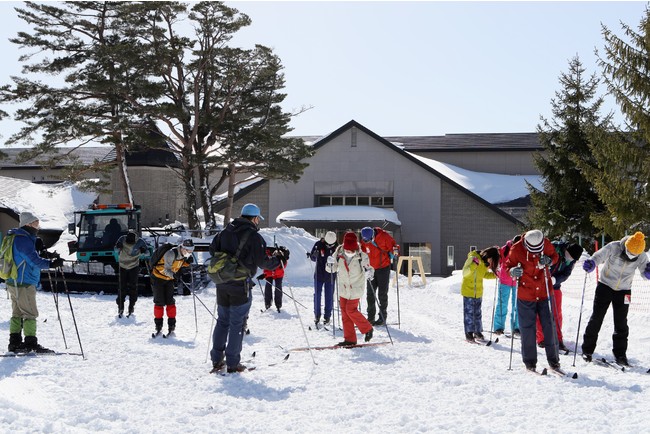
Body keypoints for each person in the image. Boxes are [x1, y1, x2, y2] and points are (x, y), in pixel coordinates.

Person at [209, 203, 285, 374]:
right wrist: (278, 260)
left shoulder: (224, 232)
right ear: (254, 218)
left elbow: (213, 250)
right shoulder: (254, 237)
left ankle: (216, 359)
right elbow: (262, 262)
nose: (258, 222)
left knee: (222, 321)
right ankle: (233, 363)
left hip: (221, 282)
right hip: (240, 284)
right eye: (258, 219)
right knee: (237, 323)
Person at [581, 231, 650, 366]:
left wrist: (648, 273)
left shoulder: (641, 255)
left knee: (621, 323)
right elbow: (598, 256)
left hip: (624, 291)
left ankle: (620, 354)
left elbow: (644, 272)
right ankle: (587, 350)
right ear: (625, 247)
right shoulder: (614, 247)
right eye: (629, 253)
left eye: (634, 256)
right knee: (596, 318)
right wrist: (591, 263)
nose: (631, 257)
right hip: (605, 286)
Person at [6, 212, 64, 353]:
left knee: (17, 313)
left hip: (14, 281)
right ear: (28, 224)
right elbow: (33, 260)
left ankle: (14, 343)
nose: (38, 226)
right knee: (30, 313)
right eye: (36, 223)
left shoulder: (15, 237)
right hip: (24, 282)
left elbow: (29, 256)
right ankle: (30, 343)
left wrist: (47, 256)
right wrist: (51, 264)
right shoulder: (23, 240)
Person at [506, 229, 561, 372]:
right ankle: (530, 361)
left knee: (549, 326)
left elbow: (555, 256)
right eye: (533, 250)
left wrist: (550, 260)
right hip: (526, 294)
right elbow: (507, 266)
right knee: (527, 329)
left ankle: (554, 360)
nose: (536, 253)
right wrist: (512, 271)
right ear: (526, 244)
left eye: (539, 249)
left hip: (544, 291)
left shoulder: (546, 243)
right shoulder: (516, 249)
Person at [326, 231, 374, 346]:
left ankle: (367, 328)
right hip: (343, 288)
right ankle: (350, 339)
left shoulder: (362, 256)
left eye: (350, 251)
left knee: (350, 310)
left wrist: (369, 272)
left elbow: (369, 269)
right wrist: (329, 264)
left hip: (356, 288)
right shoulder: (338, 253)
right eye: (347, 250)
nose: (348, 252)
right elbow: (331, 270)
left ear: (355, 249)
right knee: (345, 314)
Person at [536, 242, 584, 352]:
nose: (570, 260)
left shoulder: (571, 260)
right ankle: (541, 338)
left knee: (557, 313)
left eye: (573, 259)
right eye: (570, 256)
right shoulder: (553, 248)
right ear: (566, 251)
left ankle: (558, 338)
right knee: (540, 312)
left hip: (555, 286)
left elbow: (566, 274)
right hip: (541, 285)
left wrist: (555, 280)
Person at [150, 238, 194, 336]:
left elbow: (178, 264)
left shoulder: (183, 255)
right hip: (158, 278)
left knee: (170, 302)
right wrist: (174, 275)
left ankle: (172, 325)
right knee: (159, 302)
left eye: (191, 251)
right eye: (188, 250)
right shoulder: (170, 254)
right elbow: (165, 270)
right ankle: (158, 325)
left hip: (169, 280)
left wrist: (187, 263)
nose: (190, 253)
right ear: (183, 248)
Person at [360, 226, 397, 326]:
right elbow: (362, 252)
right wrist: (363, 265)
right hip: (370, 269)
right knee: (370, 293)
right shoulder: (364, 240)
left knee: (382, 293)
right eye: (365, 240)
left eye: (369, 240)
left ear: (373, 235)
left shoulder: (384, 236)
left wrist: (394, 253)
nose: (366, 242)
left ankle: (382, 317)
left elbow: (394, 246)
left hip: (383, 268)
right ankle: (370, 317)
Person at [461, 247, 499, 342]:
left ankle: (477, 331)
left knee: (477, 313)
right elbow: (465, 273)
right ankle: (469, 333)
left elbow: (484, 275)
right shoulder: (473, 259)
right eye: (492, 261)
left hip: (478, 292)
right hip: (468, 291)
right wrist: (474, 265)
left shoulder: (484, 264)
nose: (491, 264)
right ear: (489, 256)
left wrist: (495, 275)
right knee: (469, 313)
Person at [114, 231, 148, 317]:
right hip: (122, 265)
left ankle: (131, 306)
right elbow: (115, 249)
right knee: (122, 287)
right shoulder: (122, 239)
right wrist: (118, 246)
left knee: (133, 286)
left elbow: (148, 252)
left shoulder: (140, 242)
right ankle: (120, 306)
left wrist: (144, 250)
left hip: (134, 266)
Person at [493, 235, 521, 337]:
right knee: (502, 304)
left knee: (517, 305)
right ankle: (498, 327)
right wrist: (498, 273)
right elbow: (497, 264)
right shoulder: (504, 250)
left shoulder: (522, 251)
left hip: (517, 282)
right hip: (504, 281)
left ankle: (517, 327)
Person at [309, 231, 338, 326]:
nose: (329, 246)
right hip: (319, 274)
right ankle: (317, 315)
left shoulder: (337, 247)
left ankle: (327, 316)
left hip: (331, 274)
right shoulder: (318, 244)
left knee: (329, 295)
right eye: (328, 244)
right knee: (317, 294)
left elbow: (340, 260)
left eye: (331, 245)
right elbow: (312, 258)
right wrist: (314, 255)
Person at [262, 246, 287, 313]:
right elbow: (265, 267)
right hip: (269, 273)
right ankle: (267, 304)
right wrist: (266, 274)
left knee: (278, 287)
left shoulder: (282, 259)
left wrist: (280, 262)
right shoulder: (269, 259)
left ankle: (278, 304)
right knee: (268, 286)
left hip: (278, 275)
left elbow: (282, 269)